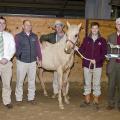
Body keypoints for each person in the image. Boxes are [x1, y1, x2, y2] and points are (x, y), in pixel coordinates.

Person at [76, 22, 107, 110]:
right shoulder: (86, 39)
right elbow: (82, 50)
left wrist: (96, 60)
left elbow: (104, 53)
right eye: (93, 28)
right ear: (91, 29)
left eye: (96, 28)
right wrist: (76, 49)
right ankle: (87, 100)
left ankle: (96, 101)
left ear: (98, 29)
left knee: (96, 83)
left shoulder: (102, 40)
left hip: (98, 66)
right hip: (87, 65)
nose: (94, 30)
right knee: (87, 83)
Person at [15, 20, 42, 104]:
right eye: (27, 25)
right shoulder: (18, 36)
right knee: (20, 81)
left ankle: (31, 98)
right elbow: (15, 48)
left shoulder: (34, 36)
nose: (29, 26)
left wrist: (40, 58)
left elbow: (38, 48)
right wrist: (19, 55)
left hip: (32, 62)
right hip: (22, 62)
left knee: (32, 81)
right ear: (23, 26)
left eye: (30, 25)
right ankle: (19, 99)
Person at [40, 20, 65, 98]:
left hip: (65, 59)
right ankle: (56, 92)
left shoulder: (67, 35)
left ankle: (64, 93)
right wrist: (43, 41)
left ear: (62, 27)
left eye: (59, 26)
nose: (58, 28)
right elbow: (42, 37)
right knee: (56, 76)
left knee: (65, 78)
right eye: (56, 26)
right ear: (55, 28)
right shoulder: (52, 35)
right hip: (57, 59)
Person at [0, 16, 15, 108]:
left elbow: (12, 49)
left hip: (7, 63)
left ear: (5, 25)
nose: (1, 25)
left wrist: (7, 58)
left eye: (3, 23)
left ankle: (6, 101)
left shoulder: (9, 36)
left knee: (6, 84)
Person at [106, 18, 120, 111]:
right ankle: (110, 103)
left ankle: (119, 104)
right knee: (111, 85)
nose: (119, 25)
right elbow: (108, 50)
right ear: (116, 25)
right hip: (112, 64)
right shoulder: (110, 36)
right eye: (118, 24)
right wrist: (107, 56)